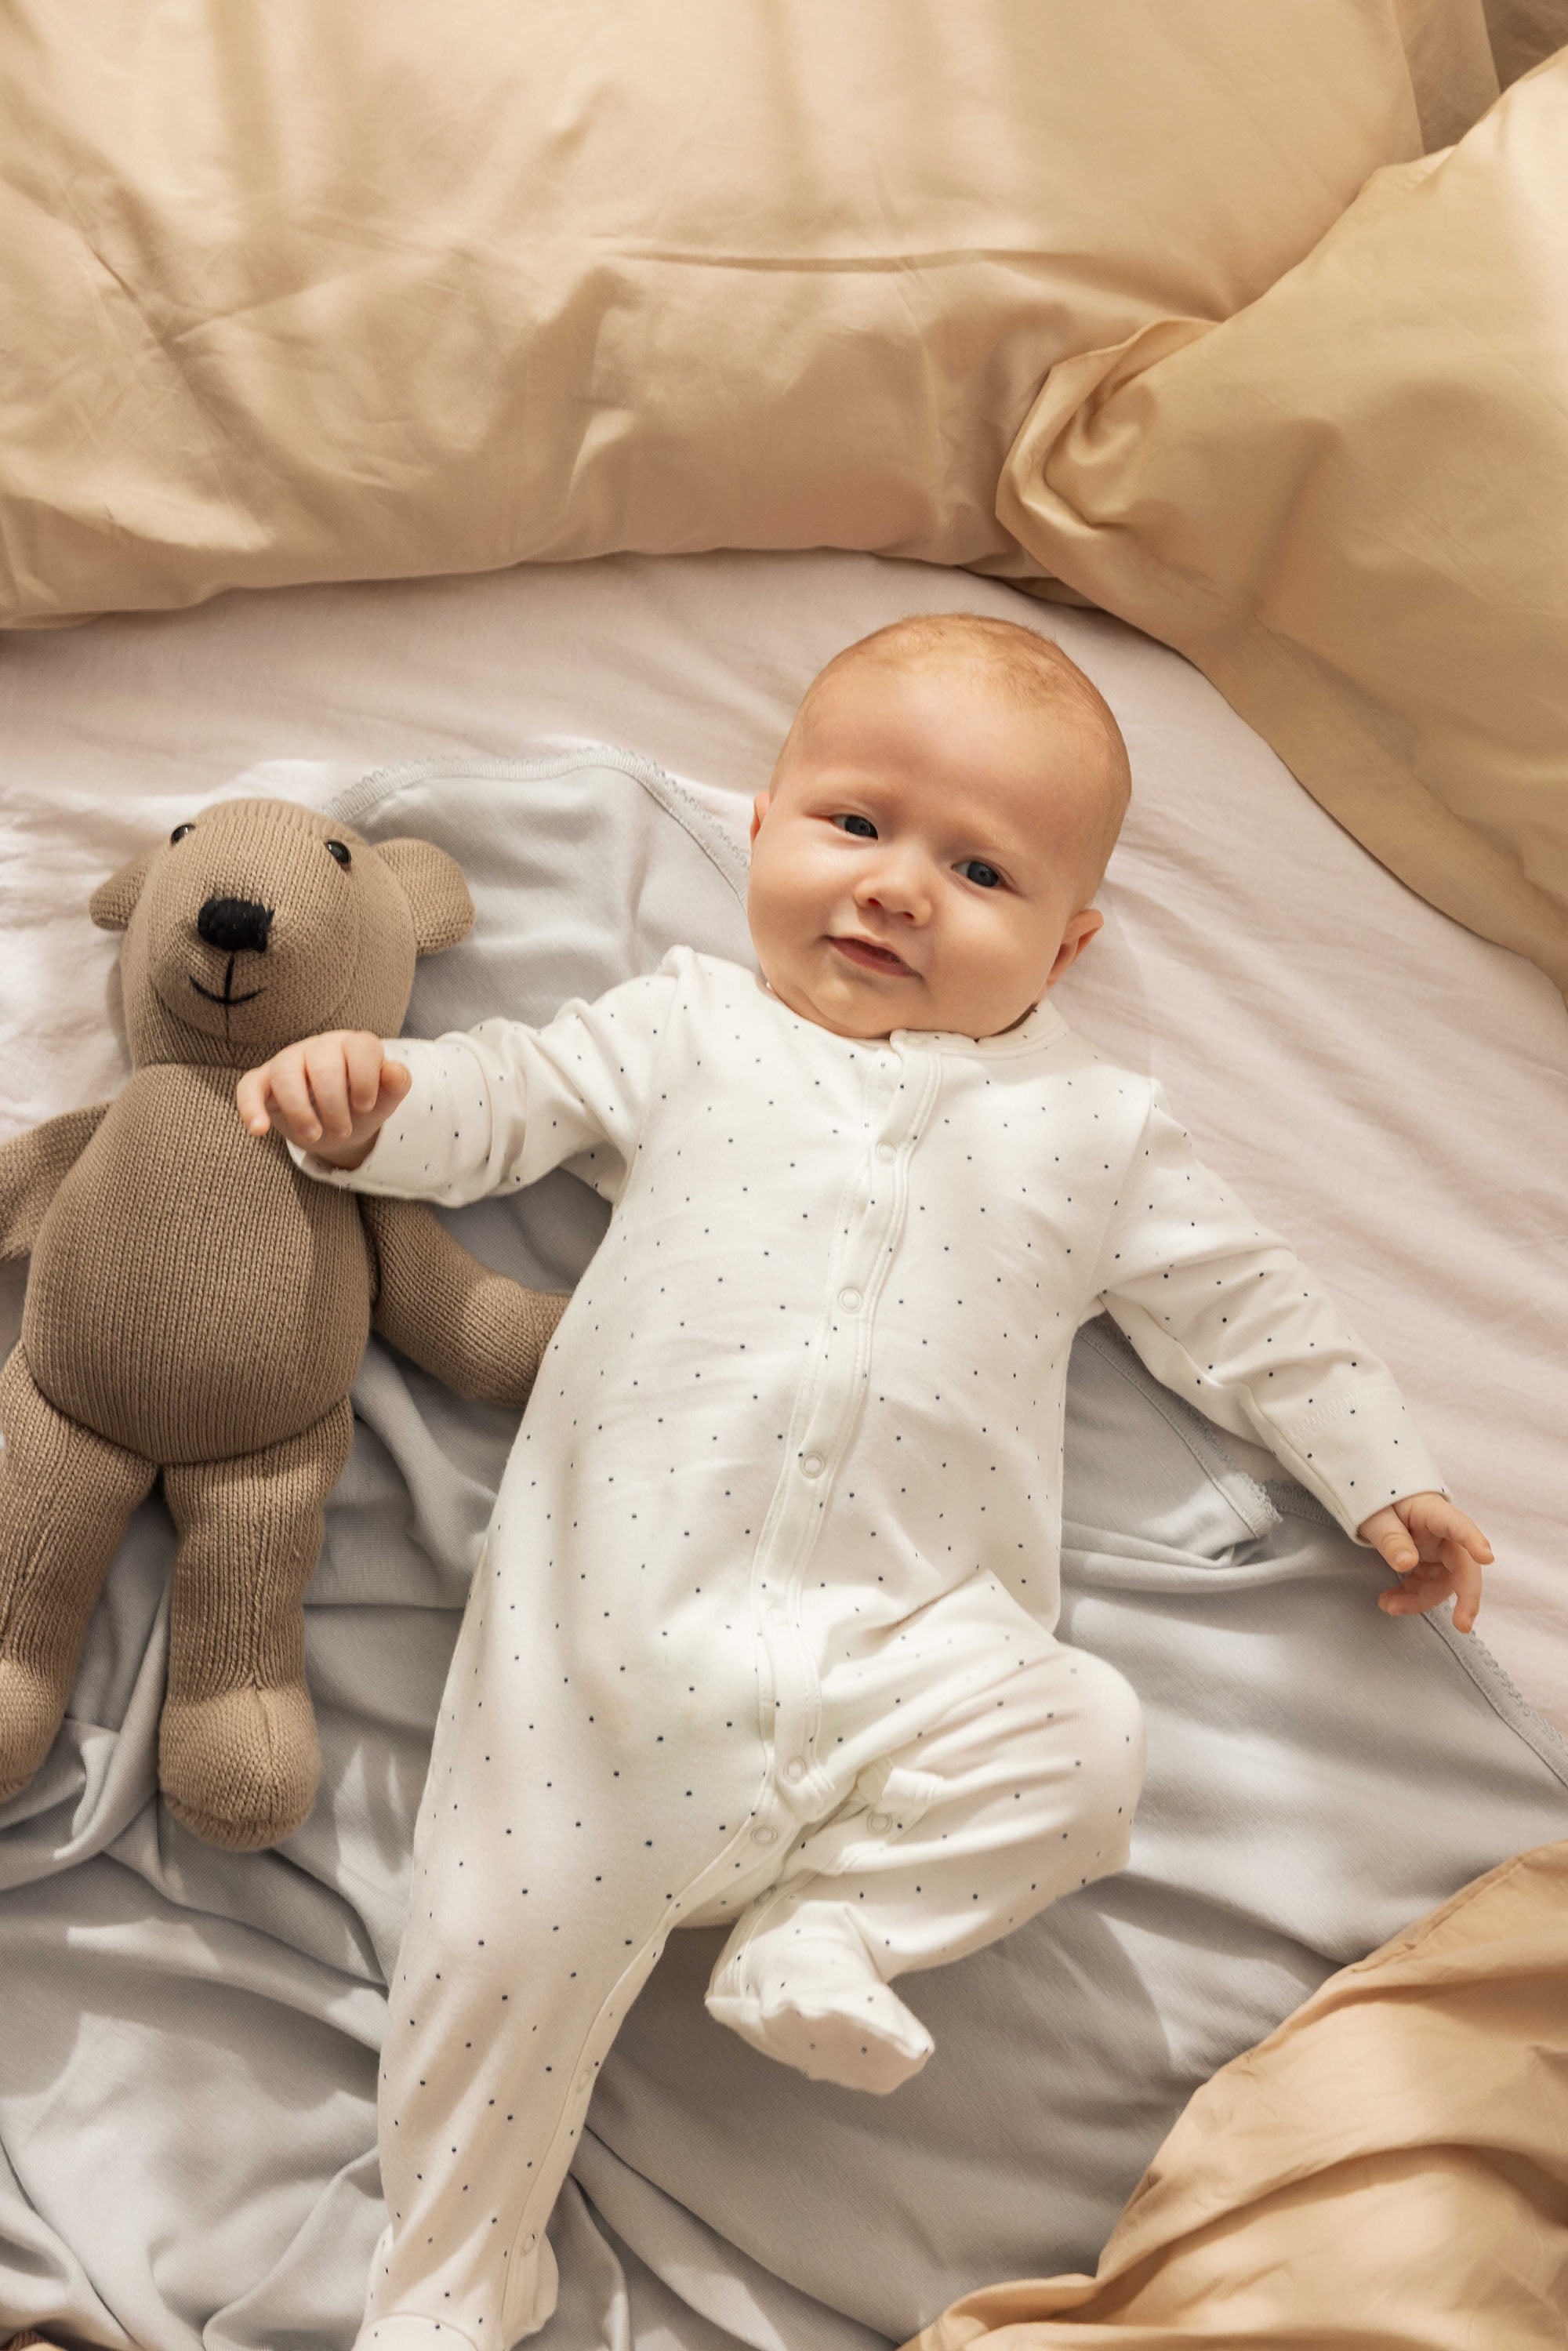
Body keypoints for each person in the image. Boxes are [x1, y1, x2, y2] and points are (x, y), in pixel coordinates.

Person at [238, 614, 1491, 2351]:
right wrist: (369, 1099)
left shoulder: (1093, 1128)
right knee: (486, 1974)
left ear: (1070, 939)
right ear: (759, 829)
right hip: (606, 1677)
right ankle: (453, 2285)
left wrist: (1380, 1471)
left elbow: (1248, 1308)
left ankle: (829, 1935)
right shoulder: (687, 1030)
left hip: (896, 1669)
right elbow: (502, 1097)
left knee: (1085, 1741)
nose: (899, 888)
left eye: (979, 871)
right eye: (855, 825)